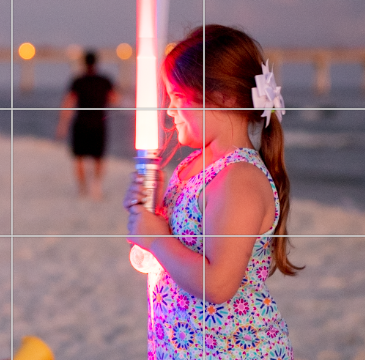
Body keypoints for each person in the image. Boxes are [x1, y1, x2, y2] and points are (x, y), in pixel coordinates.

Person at [124, 25, 303, 359]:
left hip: (230, 351)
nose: (169, 111)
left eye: (177, 97)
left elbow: (218, 284)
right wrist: (146, 216)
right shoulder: (193, 166)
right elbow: (165, 255)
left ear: (223, 98)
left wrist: (157, 239)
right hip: (182, 346)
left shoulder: (239, 179)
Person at [56, 50, 117, 199]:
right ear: (96, 63)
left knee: (79, 158)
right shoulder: (105, 80)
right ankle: (96, 186)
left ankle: (83, 189)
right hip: (99, 123)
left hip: (81, 124)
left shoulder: (78, 81)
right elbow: (115, 99)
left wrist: (62, 125)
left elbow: (68, 103)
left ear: (84, 63)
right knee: (99, 157)